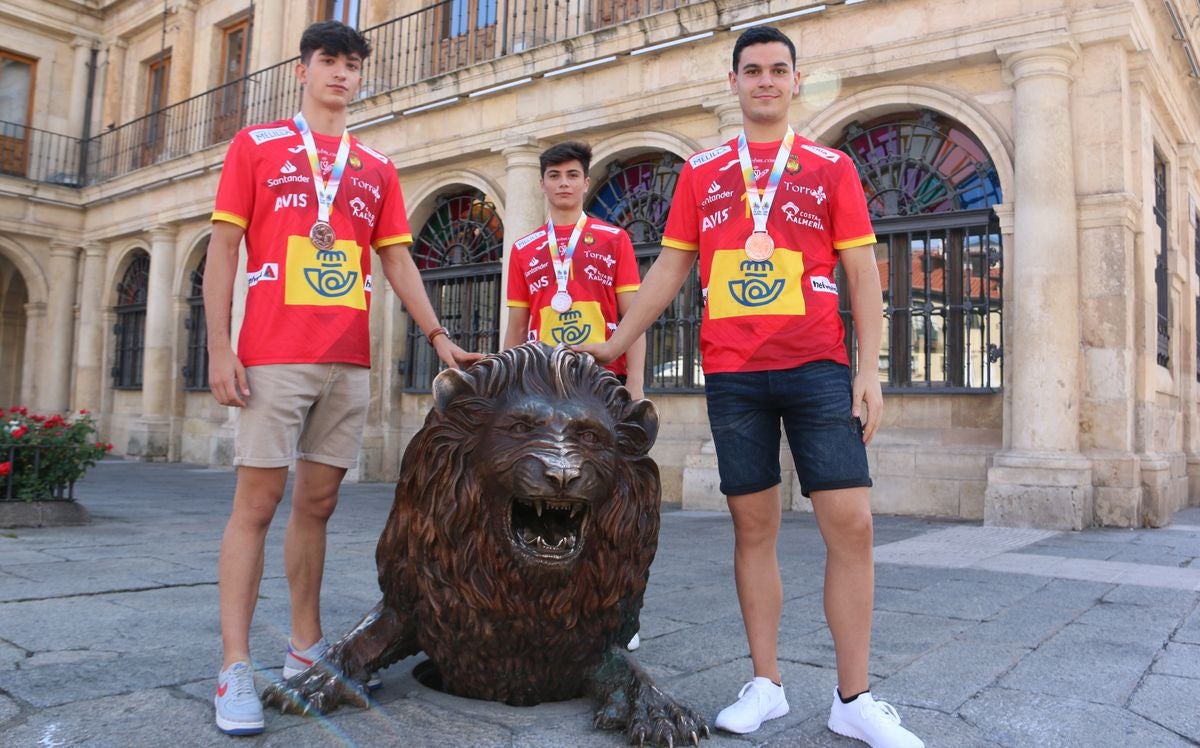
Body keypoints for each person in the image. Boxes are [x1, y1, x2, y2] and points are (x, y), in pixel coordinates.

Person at [577, 26, 924, 748]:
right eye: (752, 71)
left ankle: (853, 698)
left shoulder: (831, 167)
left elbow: (862, 271)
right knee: (752, 527)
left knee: (851, 525)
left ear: (797, 82)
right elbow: (670, 270)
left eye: (777, 70)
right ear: (733, 83)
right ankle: (765, 684)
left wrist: (869, 370)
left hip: (818, 367)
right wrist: (615, 340)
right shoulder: (702, 173)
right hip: (733, 374)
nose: (765, 81)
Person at [205, 20, 478, 736]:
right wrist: (219, 347)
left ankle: (304, 647)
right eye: (329, 61)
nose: (342, 74)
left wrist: (439, 335)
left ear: (362, 76)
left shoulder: (375, 167)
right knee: (256, 503)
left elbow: (396, 260)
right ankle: (234, 664)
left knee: (318, 504)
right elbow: (223, 251)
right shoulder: (256, 147)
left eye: (353, 65)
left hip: (346, 359)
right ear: (304, 70)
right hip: (272, 354)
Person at [503, 141, 646, 651]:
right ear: (541, 184)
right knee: (553, 503)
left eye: (573, 175)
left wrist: (636, 390)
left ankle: (621, 612)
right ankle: (554, 603)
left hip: (603, 390)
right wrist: (508, 390)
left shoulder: (614, 240)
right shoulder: (523, 249)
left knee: (614, 505)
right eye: (554, 175)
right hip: (546, 393)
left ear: (586, 183)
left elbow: (634, 320)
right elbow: (517, 328)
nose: (563, 183)